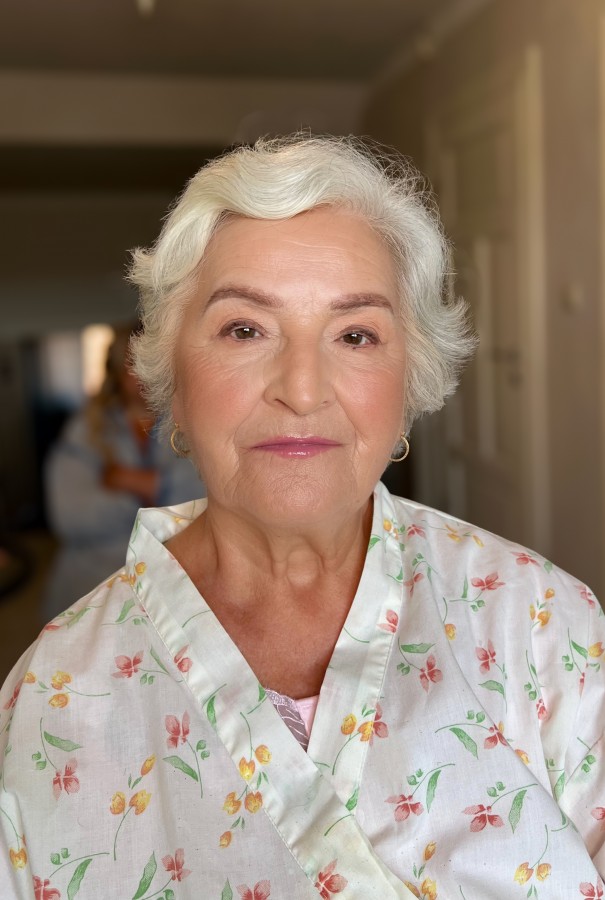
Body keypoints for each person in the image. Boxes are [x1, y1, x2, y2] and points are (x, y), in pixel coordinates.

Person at [1, 135, 603, 899]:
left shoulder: (544, 624)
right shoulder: (52, 695)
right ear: (171, 376)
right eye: (244, 329)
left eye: (354, 335)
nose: (302, 388)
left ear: (410, 378)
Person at [43, 322, 204, 617]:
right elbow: (70, 516)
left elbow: (210, 499)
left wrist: (129, 481)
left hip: (175, 589)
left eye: (153, 360)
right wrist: (156, 498)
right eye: (133, 364)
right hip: (90, 588)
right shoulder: (85, 429)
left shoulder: (197, 421)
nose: (144, 372)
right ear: (116, 373)